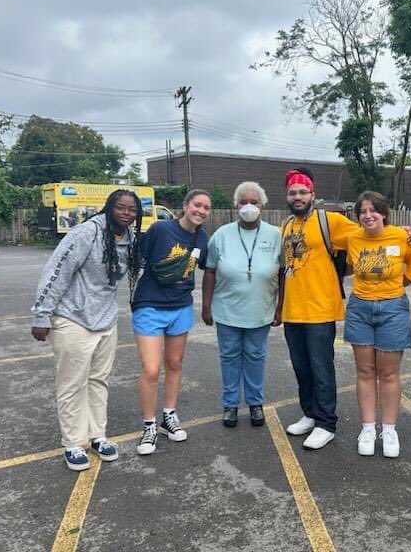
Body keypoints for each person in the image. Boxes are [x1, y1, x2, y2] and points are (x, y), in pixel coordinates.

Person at [31, 190, 142, 471]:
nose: (127, 213)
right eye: (121, 207)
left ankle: (97, 436)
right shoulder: (86, 233)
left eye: (132, 210)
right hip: (73, 318)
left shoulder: (129, 239)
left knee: (98, 381)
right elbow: (57, 270)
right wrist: (42, 314)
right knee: (72, 384)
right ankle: (73, 443)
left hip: (105, 321)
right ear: (109, 207)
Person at [280, 168, 360, 450]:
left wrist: (402, 233)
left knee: (321, 368)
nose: (298, 196)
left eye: (303, 192)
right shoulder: (286, 225)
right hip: (293, 310)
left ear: (313, 194)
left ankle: (326, 423)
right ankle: (310, 413)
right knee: (301, 368)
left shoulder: (330, 221)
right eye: (293, 192)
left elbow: (366, 237)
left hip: (320, 309)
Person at [132, 189, 212, 456]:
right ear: (186, 206)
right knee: (151, 369)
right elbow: (137, 257)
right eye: (197, 205)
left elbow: (209, 268)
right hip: (150, 305)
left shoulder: (202, 237)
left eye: (206, 208)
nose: (201, 211)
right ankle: (149, 426)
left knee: (175, 363)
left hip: (181, 307)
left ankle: (169, 416)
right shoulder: (161, 229)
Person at [344, 191, 411, 458]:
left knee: (388, 373)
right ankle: (367, 428)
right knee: (365, 371)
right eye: (362, 211)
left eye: (373, 210)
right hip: (360, 308)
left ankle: (389, 429)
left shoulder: (401, 236)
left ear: (384, 213)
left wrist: (393, 287)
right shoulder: (353, 239)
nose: (368, 215)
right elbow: (350, 265)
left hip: (393, 309)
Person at [202, 182, 282, 429]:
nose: (249, 207)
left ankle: (256, 403)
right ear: (236, 205)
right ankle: (230, 405)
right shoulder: (221, 235)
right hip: (227, 310)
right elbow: (210, 271)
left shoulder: (275, 235)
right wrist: (206, 306)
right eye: (243, 202)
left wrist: (281, 307)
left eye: (254, 202)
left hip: (261, 310)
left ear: (262, 205)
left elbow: (284, 273)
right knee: (229, 357)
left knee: (256, 356)